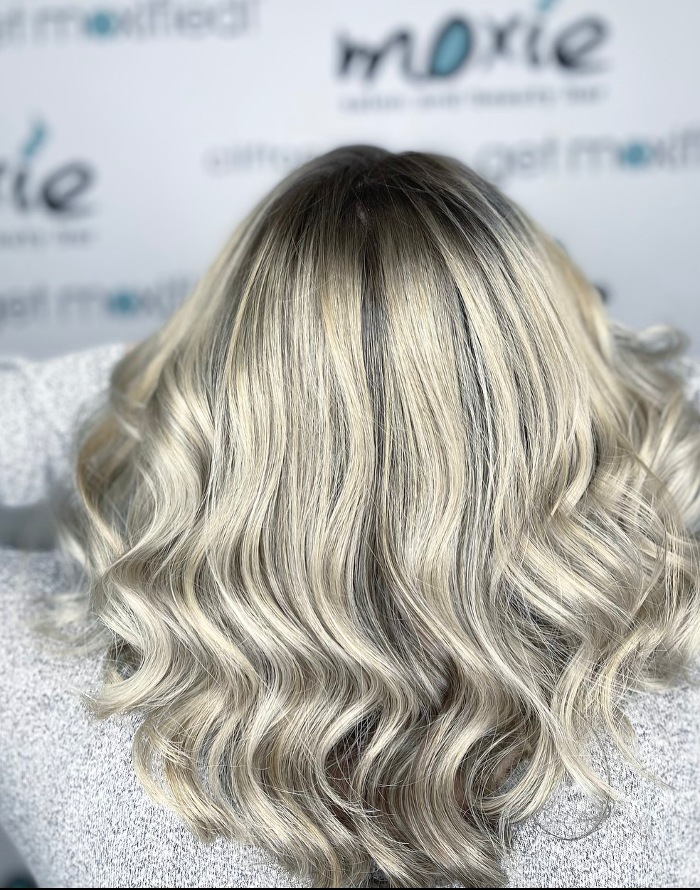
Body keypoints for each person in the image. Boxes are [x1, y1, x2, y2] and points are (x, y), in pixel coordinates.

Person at [1, 145, 699, 889]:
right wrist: (613, 370)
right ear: (555, 390)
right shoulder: (670, 712)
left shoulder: (47, 684)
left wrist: (151, 378)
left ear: (217, 394)